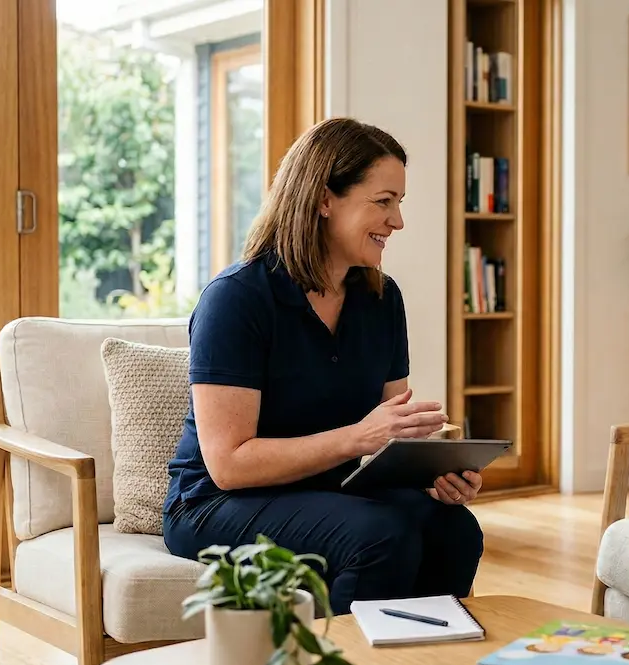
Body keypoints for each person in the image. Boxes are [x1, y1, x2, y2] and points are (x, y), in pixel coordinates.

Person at [162, 118, 484, 614]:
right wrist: (356, 438)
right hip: (214, 506)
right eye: (383, 201)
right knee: (380, 534)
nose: (397, 221)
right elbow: (228, 465)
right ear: (323, 198)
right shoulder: (238, 299)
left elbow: (389, 437)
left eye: (398, 203)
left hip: (330, 490)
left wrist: (434, 472)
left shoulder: (381, 298)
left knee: (453, 528)